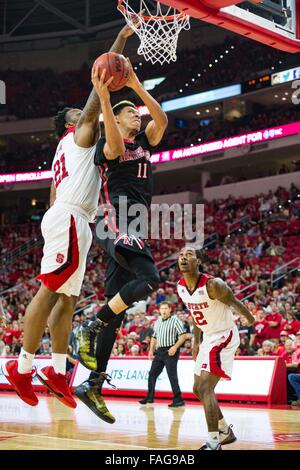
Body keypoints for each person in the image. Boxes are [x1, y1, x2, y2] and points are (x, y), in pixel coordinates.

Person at [1, 25, 135, 409]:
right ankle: (22, 366)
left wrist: (56, 220)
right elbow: (96, 97)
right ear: (68, 125)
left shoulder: (68, 151)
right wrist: (120, 43)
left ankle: (57, 369)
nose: (85, 113)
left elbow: (53, 193)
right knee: (50, 289)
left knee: (68, 298)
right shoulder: (77, 135)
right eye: (79, 114)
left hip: (70, 216)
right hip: (71, 218)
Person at [74, 50, 168, 420]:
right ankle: (89, 325)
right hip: (116, 218)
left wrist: (136, 87)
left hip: (135, 224)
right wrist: (108, 102)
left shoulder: (145, 141)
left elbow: (160, 118)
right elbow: (113, 145)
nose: (136, 115)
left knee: (118, 311)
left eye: (135, 113)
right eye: (129, 112)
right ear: (114, 119)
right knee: (150, 280)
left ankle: (92, 384)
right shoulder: (109, 144)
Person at [177, 246, 255, 450]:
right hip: (207, 337)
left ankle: (213, 442)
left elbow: (234, 301)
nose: (184, 258)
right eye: (181, 255)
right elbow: (195, 315)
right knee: (197, 389)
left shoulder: (213, 285)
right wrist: (195, 341)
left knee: (205, 387)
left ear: (199, 261)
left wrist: (249, 318)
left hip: (224, 335)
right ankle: (224, 431)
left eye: (189, 255)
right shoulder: (181, 287)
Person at [139, 302, 187, 407]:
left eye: (166, 308)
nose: (164, 310)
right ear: (160, 310)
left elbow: (183, 336)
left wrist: (175, 347)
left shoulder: (175, 320)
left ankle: (178, 399)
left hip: (171, 350)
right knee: (152, 374)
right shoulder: (158, 321)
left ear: (170, 309)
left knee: (172, 376)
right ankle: (150, 397)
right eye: (162, 308)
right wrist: (151, 351)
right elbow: (154, 337)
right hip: (160, 351)